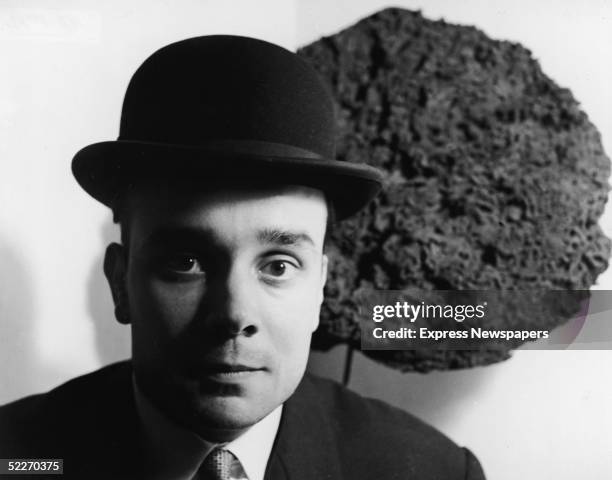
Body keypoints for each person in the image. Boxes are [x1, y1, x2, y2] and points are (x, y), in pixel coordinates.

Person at [0, 35, 486, 480]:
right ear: (120, 282)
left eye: (277, 266)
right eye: (185, 262)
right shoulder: (16, 457)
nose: (234, 315)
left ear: (320, 287)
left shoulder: (433, 471)